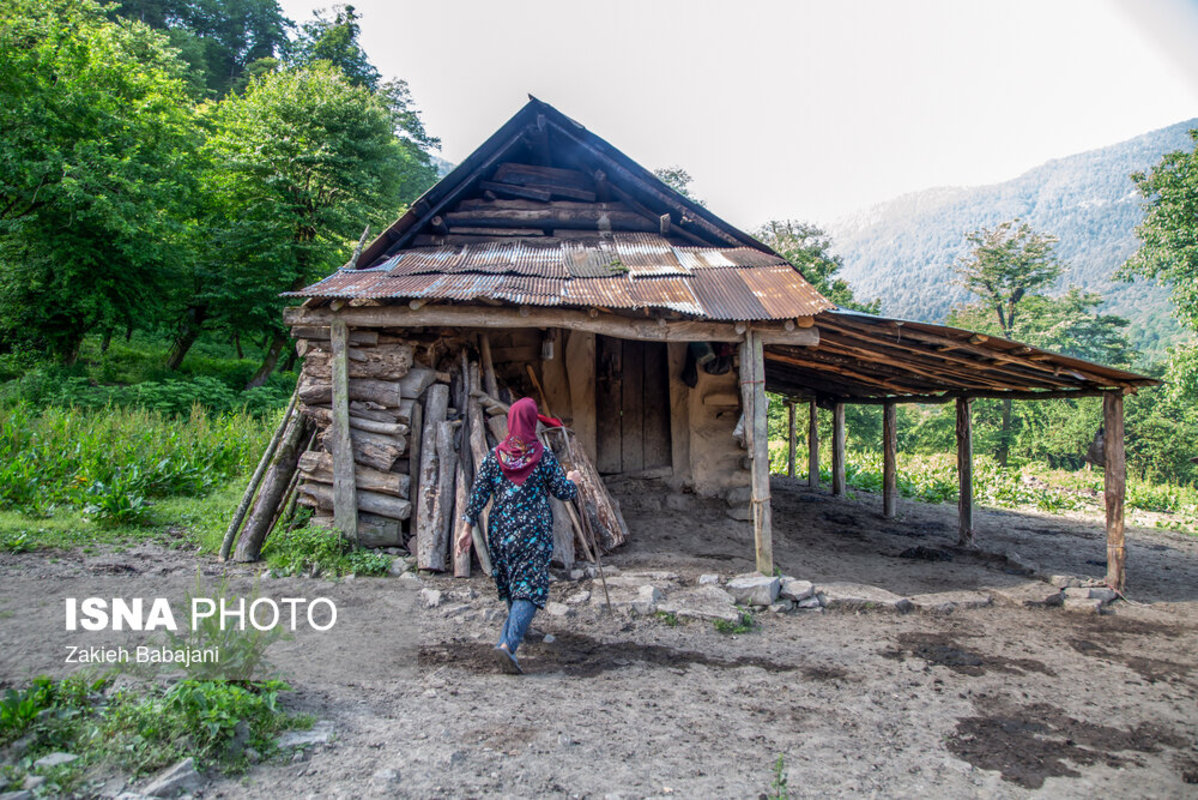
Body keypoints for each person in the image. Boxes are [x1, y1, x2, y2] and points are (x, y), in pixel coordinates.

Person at [458, 397, 581, 674]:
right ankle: (507, 645)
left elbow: (477, 495)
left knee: (515, 584)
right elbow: (563, 492)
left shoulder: (494, 456)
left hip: (501, 532)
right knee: (530, 588)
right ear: (530, 421)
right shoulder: (543, 457)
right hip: (533, 533)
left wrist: (466, 530)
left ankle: (512, 637)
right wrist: (573, 480)